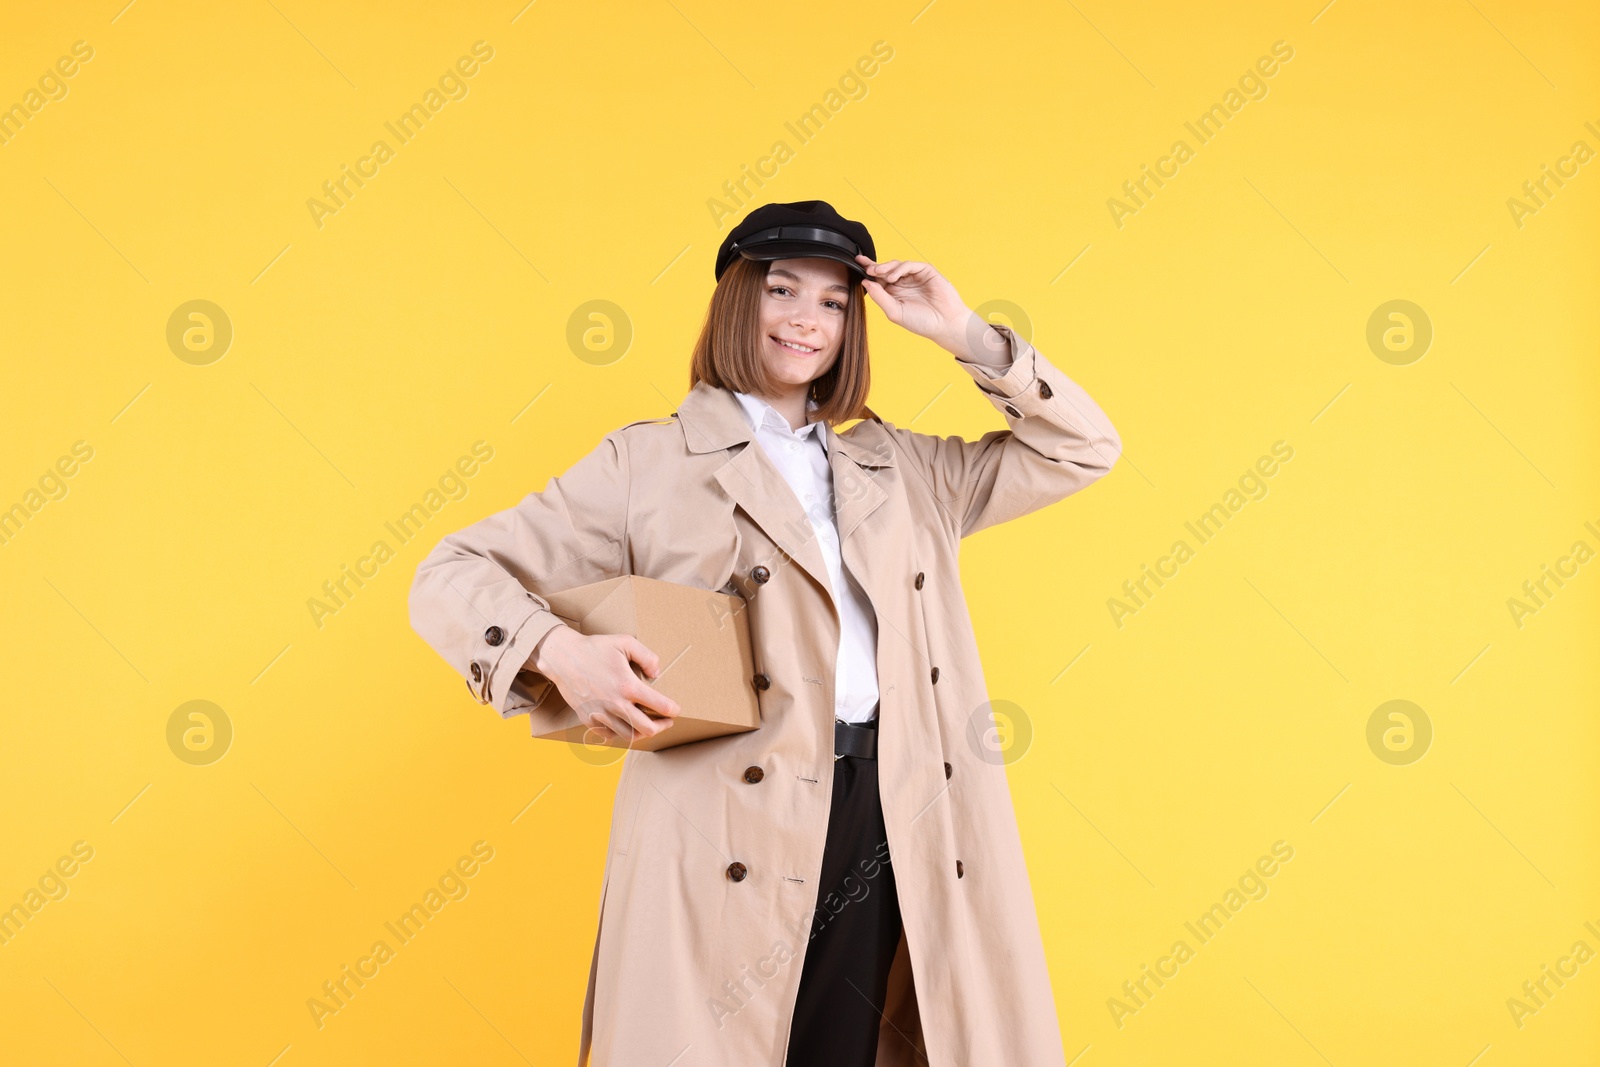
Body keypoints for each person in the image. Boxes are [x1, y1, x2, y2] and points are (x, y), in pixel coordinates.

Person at [408, 200, 1122, 1066]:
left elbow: (1082, 448)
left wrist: (964, 331)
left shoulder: (902, 467)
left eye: (832, 302)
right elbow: (449, 574)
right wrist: (559, 651)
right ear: (737, 300)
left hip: (891, 802)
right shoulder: (649, 461)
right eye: (782, 289)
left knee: (844, 1048)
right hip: (727, 819)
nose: (804, 320)